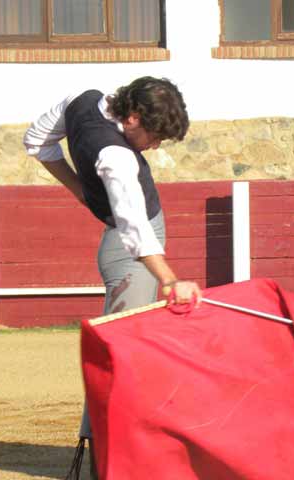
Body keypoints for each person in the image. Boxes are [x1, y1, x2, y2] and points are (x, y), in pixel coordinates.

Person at [23, 76, 203, 479]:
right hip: (130, 252)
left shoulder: (83, 99)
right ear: (134, 117)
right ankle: (107, 463)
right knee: (121, 357)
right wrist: (171, 279)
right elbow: (134, 227)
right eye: (155, 137)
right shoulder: (116, 156)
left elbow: (37, 141)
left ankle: (106, 457)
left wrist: (79, 191)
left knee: (121, 352)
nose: (155, 147)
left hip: (129, 245)